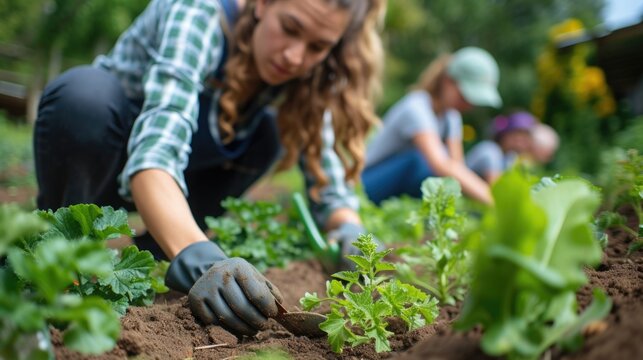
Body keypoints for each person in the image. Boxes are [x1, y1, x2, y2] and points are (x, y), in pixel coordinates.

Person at [33, 0, 384, 337]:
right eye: (289, 28)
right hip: (108, 161)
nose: (295, 56)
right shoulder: (199, 12)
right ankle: (61, 245)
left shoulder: (305, 70)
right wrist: (201, 258)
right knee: (83, 98)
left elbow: (327, 179)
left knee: (269, 132)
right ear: (262, 4)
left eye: (317, 47)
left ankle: (158, 255)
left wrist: (350, 233)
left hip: (174, 190)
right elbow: (156, 150)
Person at [361, 47, 501, 205]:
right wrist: (494, 202)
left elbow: (457, 167)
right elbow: (441, 164)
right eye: (464, 96)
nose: (468, 105)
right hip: (366, 184)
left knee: (447, 182)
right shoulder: (416, 107)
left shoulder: (451, 117)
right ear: (448, 81)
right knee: (420, 164)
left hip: (395, 191)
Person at [465, 111, 536, 184]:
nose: (525, 142)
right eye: (522, 136)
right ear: (506, 134)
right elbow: (495, 188)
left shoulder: (509, 156)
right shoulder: (491, 151)